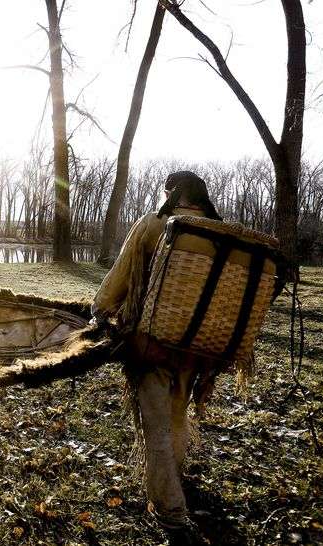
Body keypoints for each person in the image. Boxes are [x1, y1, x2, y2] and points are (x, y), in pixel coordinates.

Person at [92, 171, 224, 538]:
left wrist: (100, 310)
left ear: (171, 193)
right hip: (199, 350)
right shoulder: (221, 234)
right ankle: (170, 485)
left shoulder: (155, 224)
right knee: (177, 416)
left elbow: (121, 275)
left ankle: (171, 511)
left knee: (156, 428)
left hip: (154, 343)